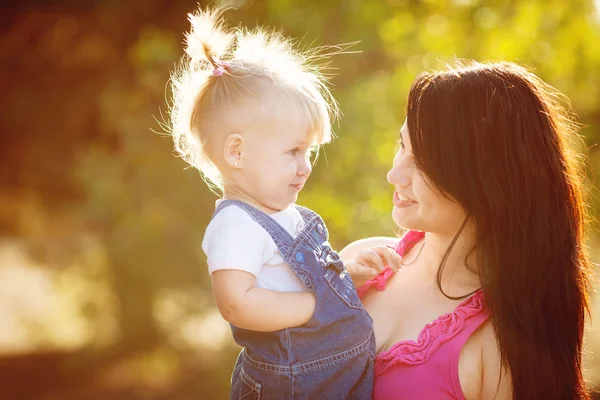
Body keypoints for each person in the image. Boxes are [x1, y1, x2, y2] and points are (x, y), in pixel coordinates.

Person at [167, 6, 400, 400]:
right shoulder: (236, 225)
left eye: (308, 152)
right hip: (291, 386)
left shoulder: (285, 216)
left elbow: (294, 278)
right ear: (236, 152)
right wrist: (317, 305)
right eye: (293, 151)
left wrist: (347, 275)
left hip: (335, 379)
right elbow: (237, 305)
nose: (305, 167)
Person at [341, 61, 593, 399]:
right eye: (402, 146)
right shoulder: (359, 263)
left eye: (424, 161)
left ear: (487, 181)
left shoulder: (498, 348)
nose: (395, 175)